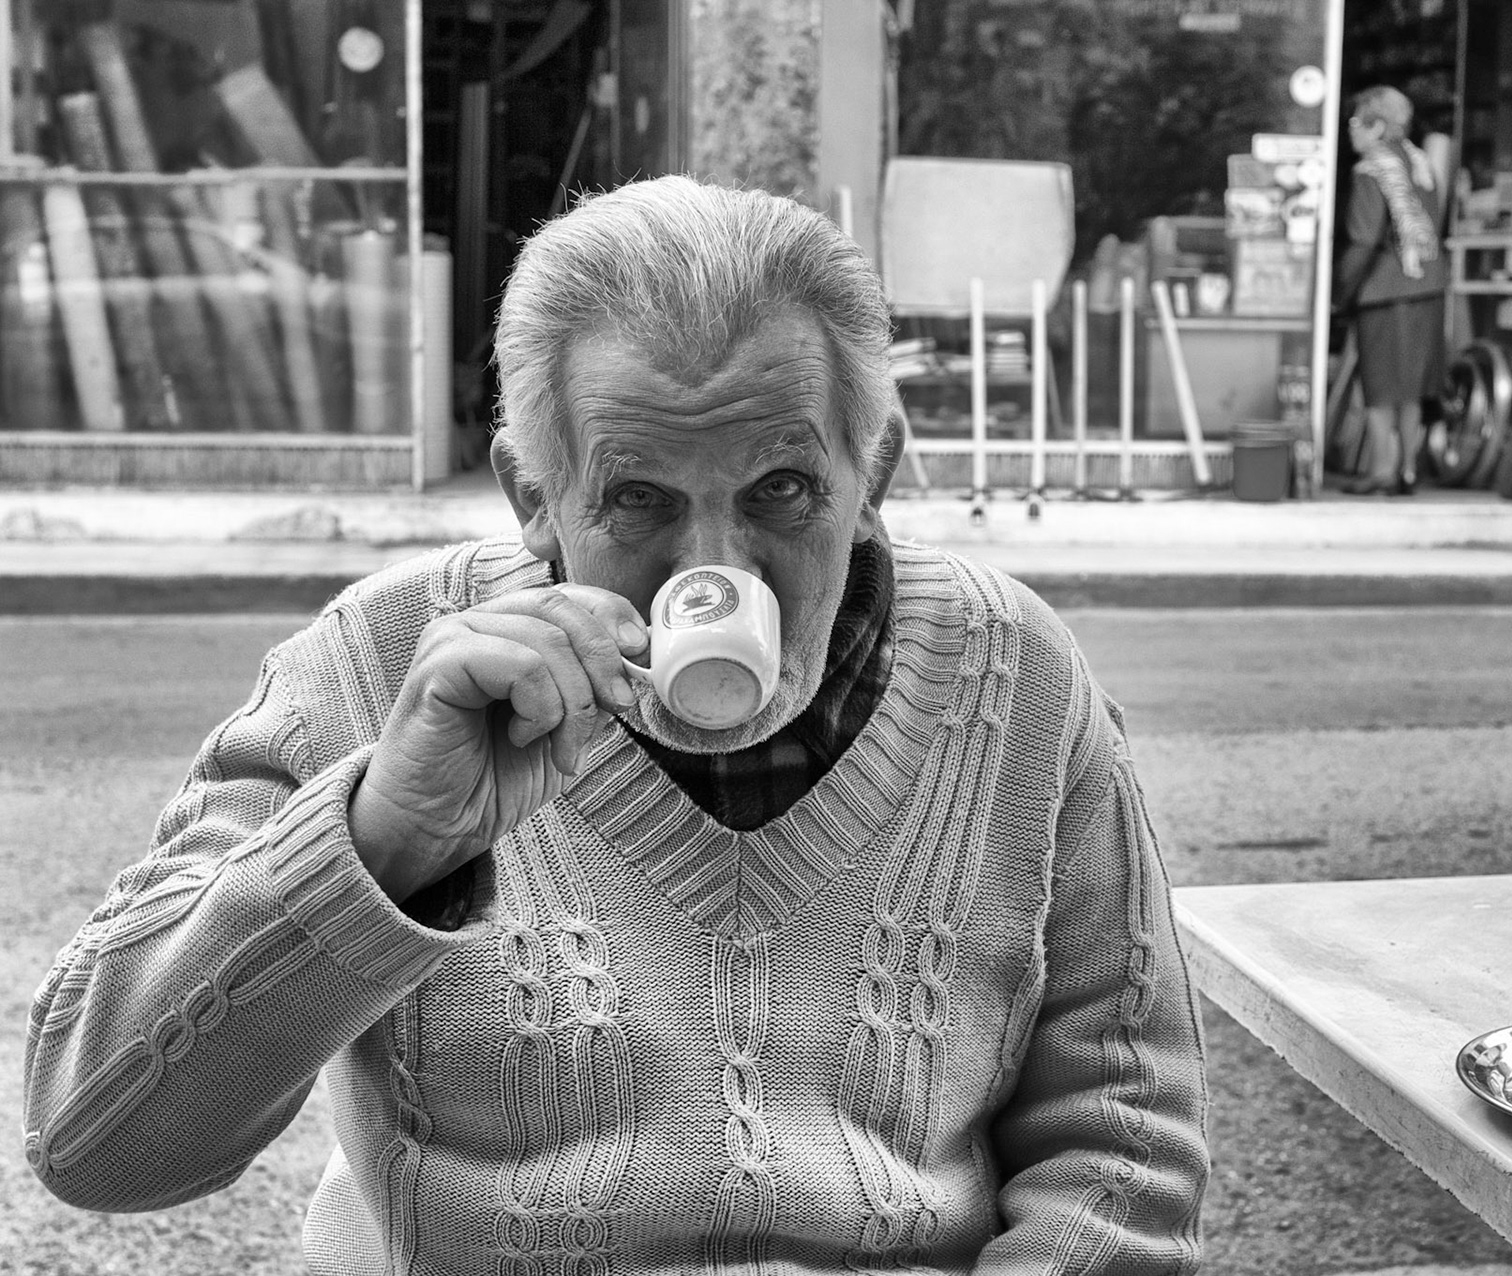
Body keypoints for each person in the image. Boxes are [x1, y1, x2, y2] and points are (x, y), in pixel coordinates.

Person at [23, 177, 1210, 1274]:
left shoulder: (1016, 677)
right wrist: (384, 841)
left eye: (780, 490)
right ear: (534, 497)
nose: (713, 566)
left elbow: (1123, 1145)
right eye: (638, 497)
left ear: (876, 471)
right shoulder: (382, 664)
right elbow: (94, 1142)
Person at [1336, 85, 1450, 496]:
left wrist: (1341, 290)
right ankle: (1407, 469)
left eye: (1355, 124)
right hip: (1428, 286)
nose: (1350, 133)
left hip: (1385, 290)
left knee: (1380, 384)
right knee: (1413, 385)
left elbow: (1365, 238)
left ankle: (1381, 469)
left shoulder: (1371, 169)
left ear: (1376, 126)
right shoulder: (1421, 163)